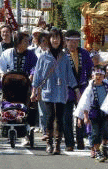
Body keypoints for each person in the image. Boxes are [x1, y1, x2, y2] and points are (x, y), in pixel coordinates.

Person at [30, 27, 81, 155]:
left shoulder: (64, 56)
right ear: (49, 39)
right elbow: (38, 75)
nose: (55, 40)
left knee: (60, 118)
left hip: (61, 92)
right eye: (53, 37)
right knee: (49, 117)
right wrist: (34, 91)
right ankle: (49, 143)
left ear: (61, 40)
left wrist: (76, 90)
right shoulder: (43, 56)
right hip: (48, 91)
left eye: (57, 37)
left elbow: (70, 74)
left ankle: (57, 144)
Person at [63, 30, 93, 151]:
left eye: (76, 41)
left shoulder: (84, 53)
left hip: (82, 88)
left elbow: (90, 69)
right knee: (66, 117)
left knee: (81, 114)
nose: (74, 44)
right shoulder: (62, 54)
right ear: (66, 41)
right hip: (67, 89)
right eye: (72, 41)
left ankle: (80, 140)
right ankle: (69, 143)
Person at [74, 65, 108, 162]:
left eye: (100, 75)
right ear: (92, 76)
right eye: (96, 75)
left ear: (104, 76)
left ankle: (103, 146)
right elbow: (84, 103)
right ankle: (97, 151)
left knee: (107, 131)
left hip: (106, 113)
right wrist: (84, 117)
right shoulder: (90, 88)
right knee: (95, 133)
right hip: (94, 113)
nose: (98, 77)